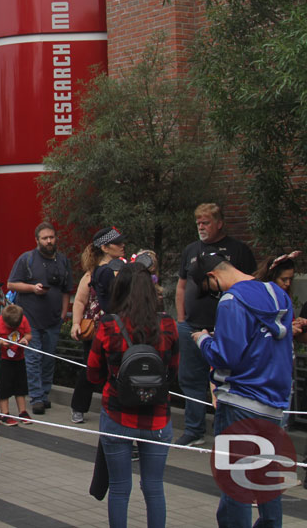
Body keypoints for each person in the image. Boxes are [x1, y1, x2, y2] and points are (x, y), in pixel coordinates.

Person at [190, 251, 293, 527]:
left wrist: (202, 340)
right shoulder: (279, 295)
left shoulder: (231, 301)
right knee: (268, 482)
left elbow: (226, 357)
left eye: (208, 288)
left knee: (236, 486)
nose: (212, 294)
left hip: (239, 403)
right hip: (274, 404)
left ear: (213, 277)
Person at [88, 264, 178, 528]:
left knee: (119, 488)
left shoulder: (108, 325)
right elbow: (173, 372)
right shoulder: (168, 325)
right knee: (154, 487)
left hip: (117, 414)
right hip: (158, 417)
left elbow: (93, 374)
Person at [175, 203, 256, 446]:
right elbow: (181, 285)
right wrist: (181, 318)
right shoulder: (191, 250)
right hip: (191, 327)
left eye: (206, 222)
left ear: (219, 223)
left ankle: (228, 433)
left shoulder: (239, 250)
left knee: (228, 381)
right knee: (191, 379)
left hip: (224, 330)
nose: (201, 226)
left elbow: (251, 285)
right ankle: (194, 429)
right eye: (198, 222)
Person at [6, 222, 73, 415]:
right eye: (45, 238)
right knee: (33, 358)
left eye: (51, 237)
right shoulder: (26, 259)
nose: (49, 241)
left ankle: (44, 394)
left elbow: (66, 290)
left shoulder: (63, 261)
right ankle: (36, 398)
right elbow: (11, 284)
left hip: (53, 319)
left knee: (48, 358)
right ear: (37, 240)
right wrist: (32, 288)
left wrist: (62, 314)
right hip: (30, 319)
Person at [69, 227, 126, 424]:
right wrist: (76, 323)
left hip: (119, 329)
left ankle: (113, 409)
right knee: (90, 368)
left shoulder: (124, 270)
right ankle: (78, 407)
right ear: (105, 247)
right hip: (96, 330)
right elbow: (79, 301)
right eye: (117, 243)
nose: (122, 246)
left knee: (116, 369)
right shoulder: (92, 274)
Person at [0, 304, 31, 426]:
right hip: (4, 360)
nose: (14, 328)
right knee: (4, 386)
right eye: (11, 327)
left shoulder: (23, 320)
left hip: (19, 358)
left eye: (16, 326)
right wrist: (0, 342)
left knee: (21, 385)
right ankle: (4, 414)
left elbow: (29, 334)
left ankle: (22, 411)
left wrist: (25, 339)